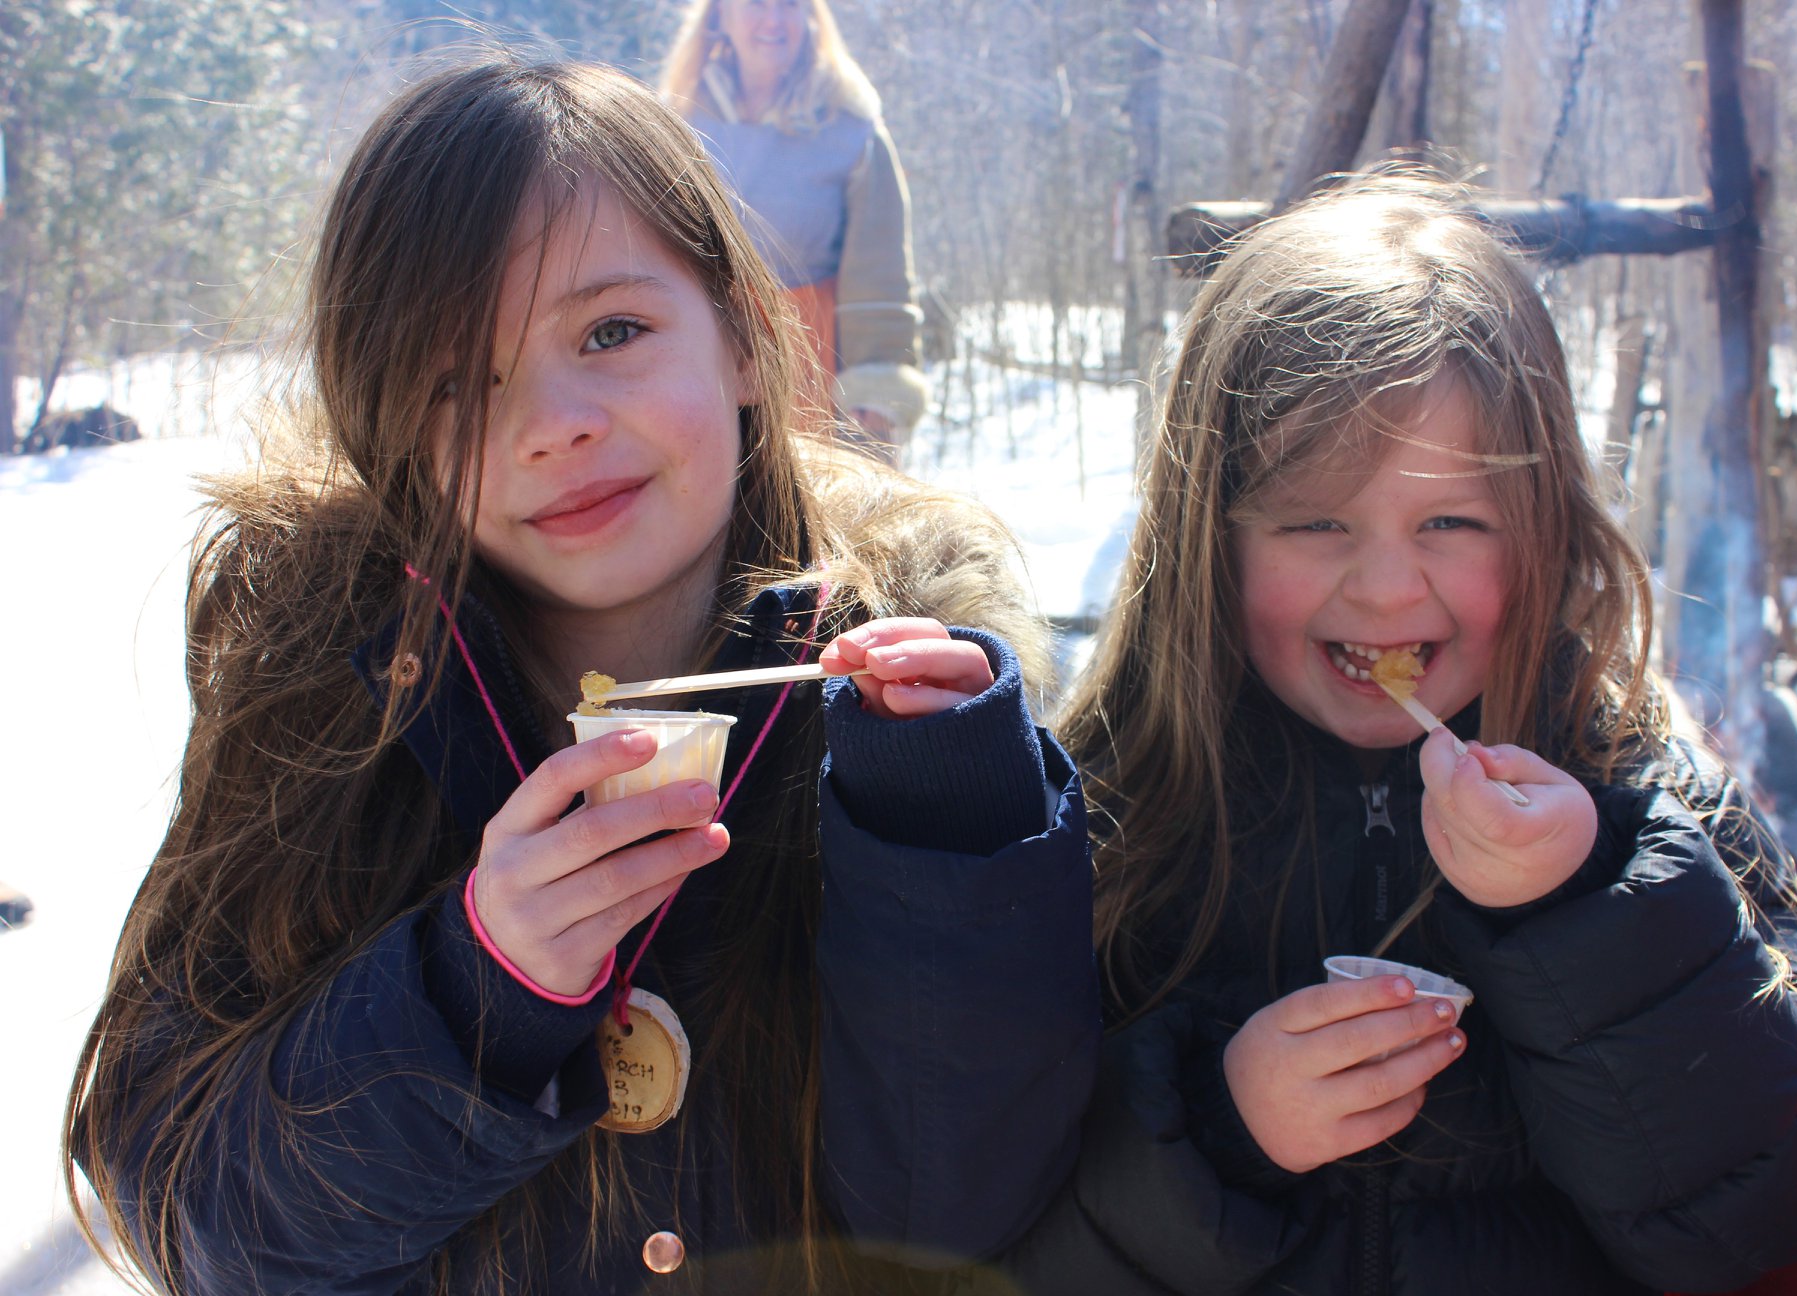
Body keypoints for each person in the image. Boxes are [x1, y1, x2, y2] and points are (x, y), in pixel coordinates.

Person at [63, 55, 1098, 1296]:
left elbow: (968, 1210)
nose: (553, 421)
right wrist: (474, 998)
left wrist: (948, 839)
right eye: (458, 383)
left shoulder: (915, 705)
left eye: (611, 331)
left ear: (744, 336)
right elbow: (195, 1216)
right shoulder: (325, 700)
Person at [984, 173, 1797, 1296]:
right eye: (1316, 520)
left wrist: (1591, 901)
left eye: (1450, 521)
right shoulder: (1110, 817)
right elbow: (997, 1235)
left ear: (1543, 533)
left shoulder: (1636, 788)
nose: (1385, 589)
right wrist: (1223, 1138)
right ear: (1206, 540)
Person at [661, 0, 929, 458]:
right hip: (701, 372)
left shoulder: (850, 134)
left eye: (789, 4)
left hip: (812, 379)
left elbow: (880, 273)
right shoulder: (676, 126)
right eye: (756, 4)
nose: (773, 19)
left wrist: (877, 392)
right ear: (720, 15)